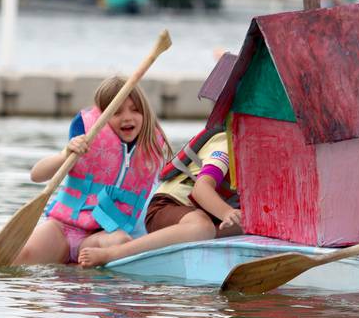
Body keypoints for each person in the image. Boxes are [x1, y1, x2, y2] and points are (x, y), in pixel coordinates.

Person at [14, 77, 171, 265]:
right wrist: (66, 154)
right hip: (62, 228)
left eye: (135, 110)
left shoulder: (152, 150)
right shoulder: (85, 140)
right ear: (102, 116)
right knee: (20, 259)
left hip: (101, 235)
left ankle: (80, 268)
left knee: (122, 242)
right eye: (117, 112)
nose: (127, 117)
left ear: (145, 114)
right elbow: (36, 175)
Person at [78, 125, 242, 267]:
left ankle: (205, 237)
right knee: (202, 227)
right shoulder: (224, 144)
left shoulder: (262, 158)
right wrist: (228, 213)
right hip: (166, 206)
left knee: (250, 224)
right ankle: (113, 254)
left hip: (207, 219)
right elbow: (201, 189)